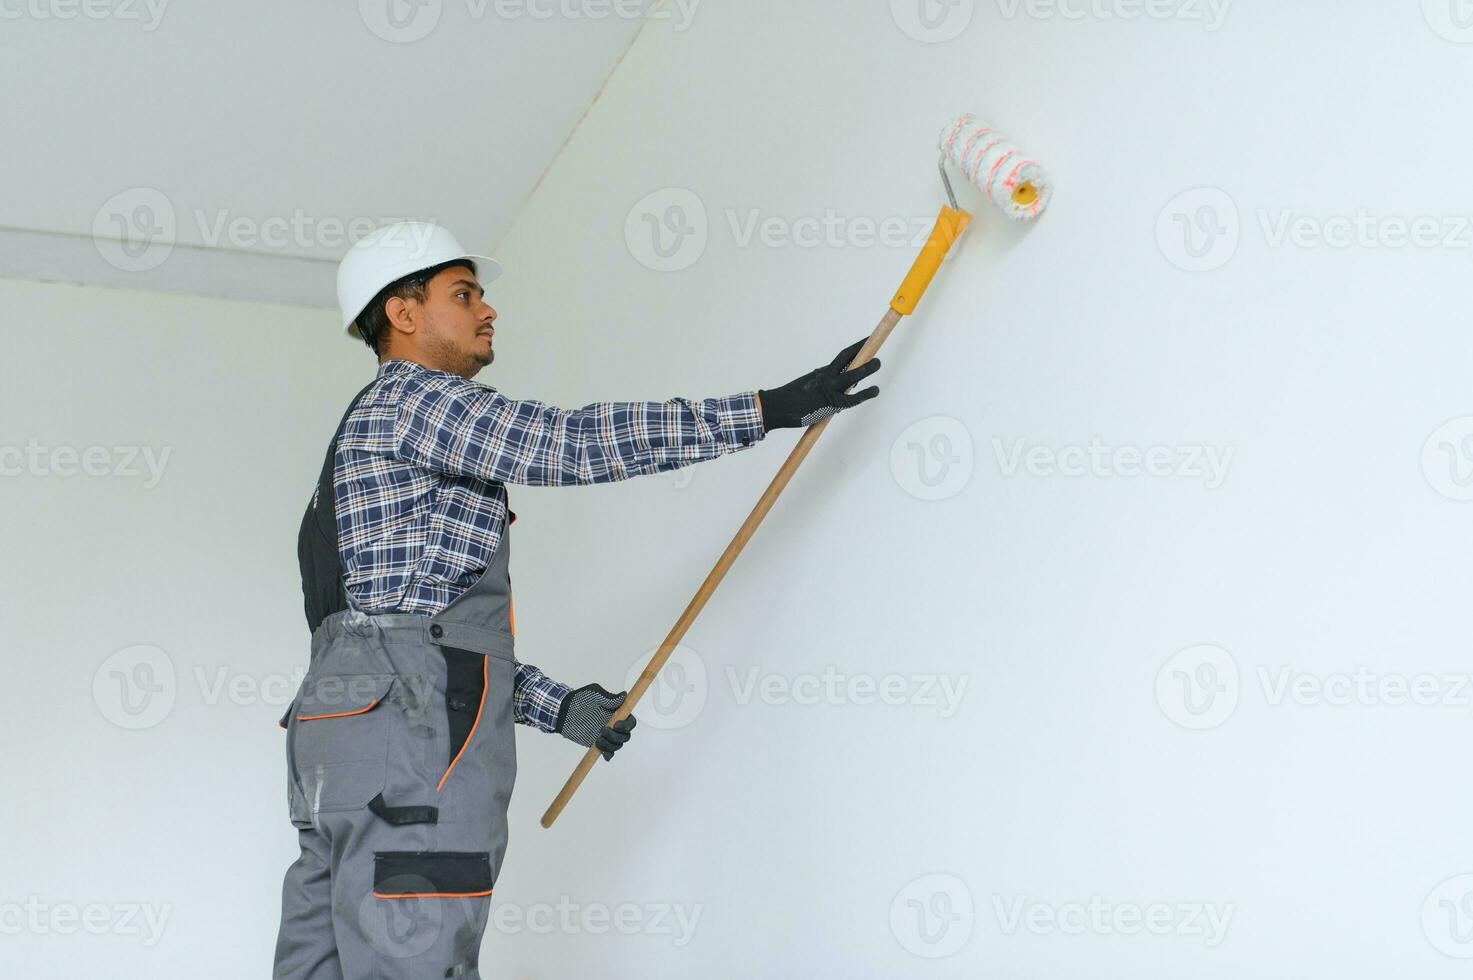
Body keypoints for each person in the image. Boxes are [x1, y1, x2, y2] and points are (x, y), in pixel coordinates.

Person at [272, 221, 882, 978]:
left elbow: (411, 634)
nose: (487, 311)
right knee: (416, 957)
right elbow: (567, 443)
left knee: (320, 966)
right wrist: (765, 409)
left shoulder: (366, 437)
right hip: (406, 749)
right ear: (403, 314)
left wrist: (559, 707)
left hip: (337, 745)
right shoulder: (418, 401)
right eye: (463, 295)